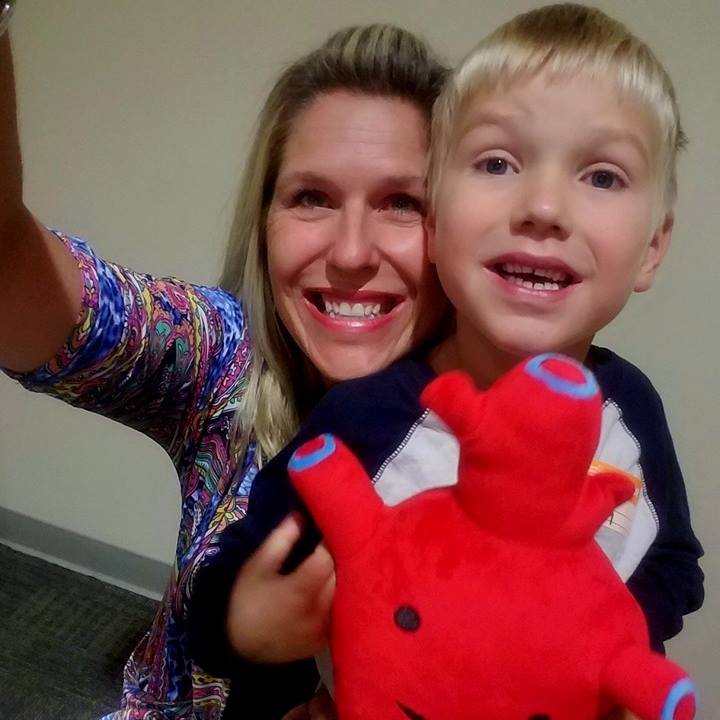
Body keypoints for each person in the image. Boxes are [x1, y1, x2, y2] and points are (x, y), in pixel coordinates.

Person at [187, 4, 704, 718]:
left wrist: (603, 643)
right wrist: (248, 623)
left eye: (603, 176)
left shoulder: (633, 411)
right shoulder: (365, 418)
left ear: (652, 248)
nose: (545, 205)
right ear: (434, 225)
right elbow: (225, 598)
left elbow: (676, 562)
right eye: (497, 162)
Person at [0, 20, 450, 720]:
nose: (353, 251)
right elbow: (6, 264)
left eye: (403, 203)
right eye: (312, 197)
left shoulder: (517, 426)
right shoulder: (227, 359)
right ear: (265, 219)